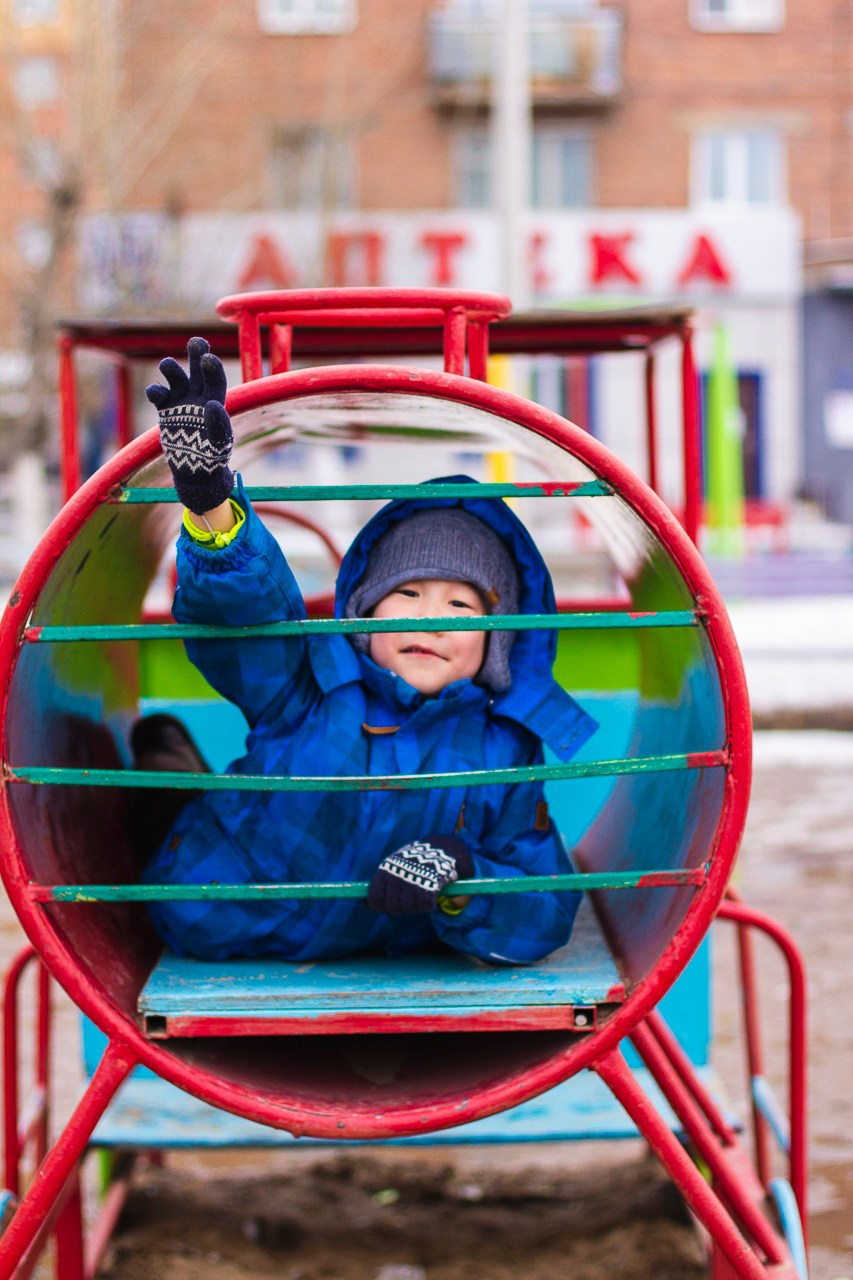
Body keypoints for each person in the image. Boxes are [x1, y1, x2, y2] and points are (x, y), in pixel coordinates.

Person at [137, 337, 598, 965]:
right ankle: (171, 782)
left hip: (388, 942)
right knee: (164, 822)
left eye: (462, 606)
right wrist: (214, 512)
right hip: (229, 914)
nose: (431, 618)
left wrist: (464, 876)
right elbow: (246, 626)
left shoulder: (505, 748)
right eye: (406, 593)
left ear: (498, 639)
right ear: (365, 615)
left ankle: (177, 768)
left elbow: (542, 912)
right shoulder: (310, 685)